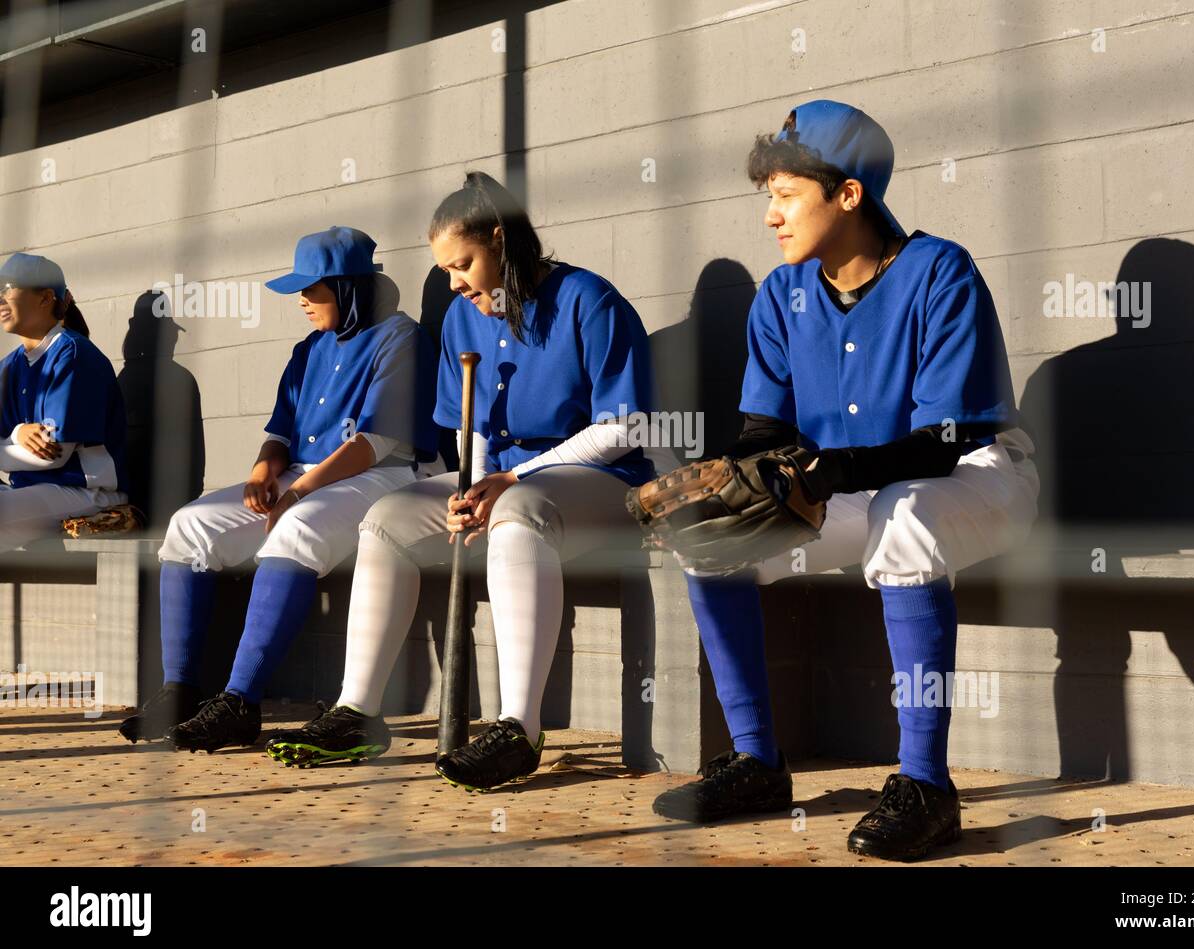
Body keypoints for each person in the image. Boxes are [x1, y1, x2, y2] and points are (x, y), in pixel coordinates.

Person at [649, 100, 1040, 862]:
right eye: (769, 196)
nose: (771, 216)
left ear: (849, 194)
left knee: (907, 514)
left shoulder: (938, 270)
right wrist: (736, 479)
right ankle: (758, 763)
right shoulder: (780, 295)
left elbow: (948, 438)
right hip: (862, 485)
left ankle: (927, 786)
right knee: (712, 543)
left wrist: (832, 472)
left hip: (978, 476)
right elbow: (765, 432)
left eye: (786, 194)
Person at [265, 172, 677, 782]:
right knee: (385, 520)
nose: (455, 283)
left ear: (502, 243)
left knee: (517, 513)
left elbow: (623, 430)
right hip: (505, 481)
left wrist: (509, 482)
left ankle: (518, 727)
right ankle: (357, 713)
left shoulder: (590, 299)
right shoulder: (462, 316)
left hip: (601, 479)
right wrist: (470, 486)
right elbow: (471, 426)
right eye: (447, 270)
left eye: (464, 264)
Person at [118, 226, 442, 751]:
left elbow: (374, 442)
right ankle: (179, 690)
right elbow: (280, 434)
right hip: (307, 474)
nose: (303, 300)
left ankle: (241, 702)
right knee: (190, 525)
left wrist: (298, 490)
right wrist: (264, 471)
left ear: (349, 286)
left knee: (298, 526)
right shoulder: (309, 348)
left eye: (313, 289)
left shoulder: (401, 336)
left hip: (385, 472)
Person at [0, 253, 129, 550]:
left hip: (86, 493)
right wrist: (19, 432)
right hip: (28, 494)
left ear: (46, 298)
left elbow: (52, 456)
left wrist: (7, 442)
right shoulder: (8, 365)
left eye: (8, 288)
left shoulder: (72, 353)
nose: (0, 299)